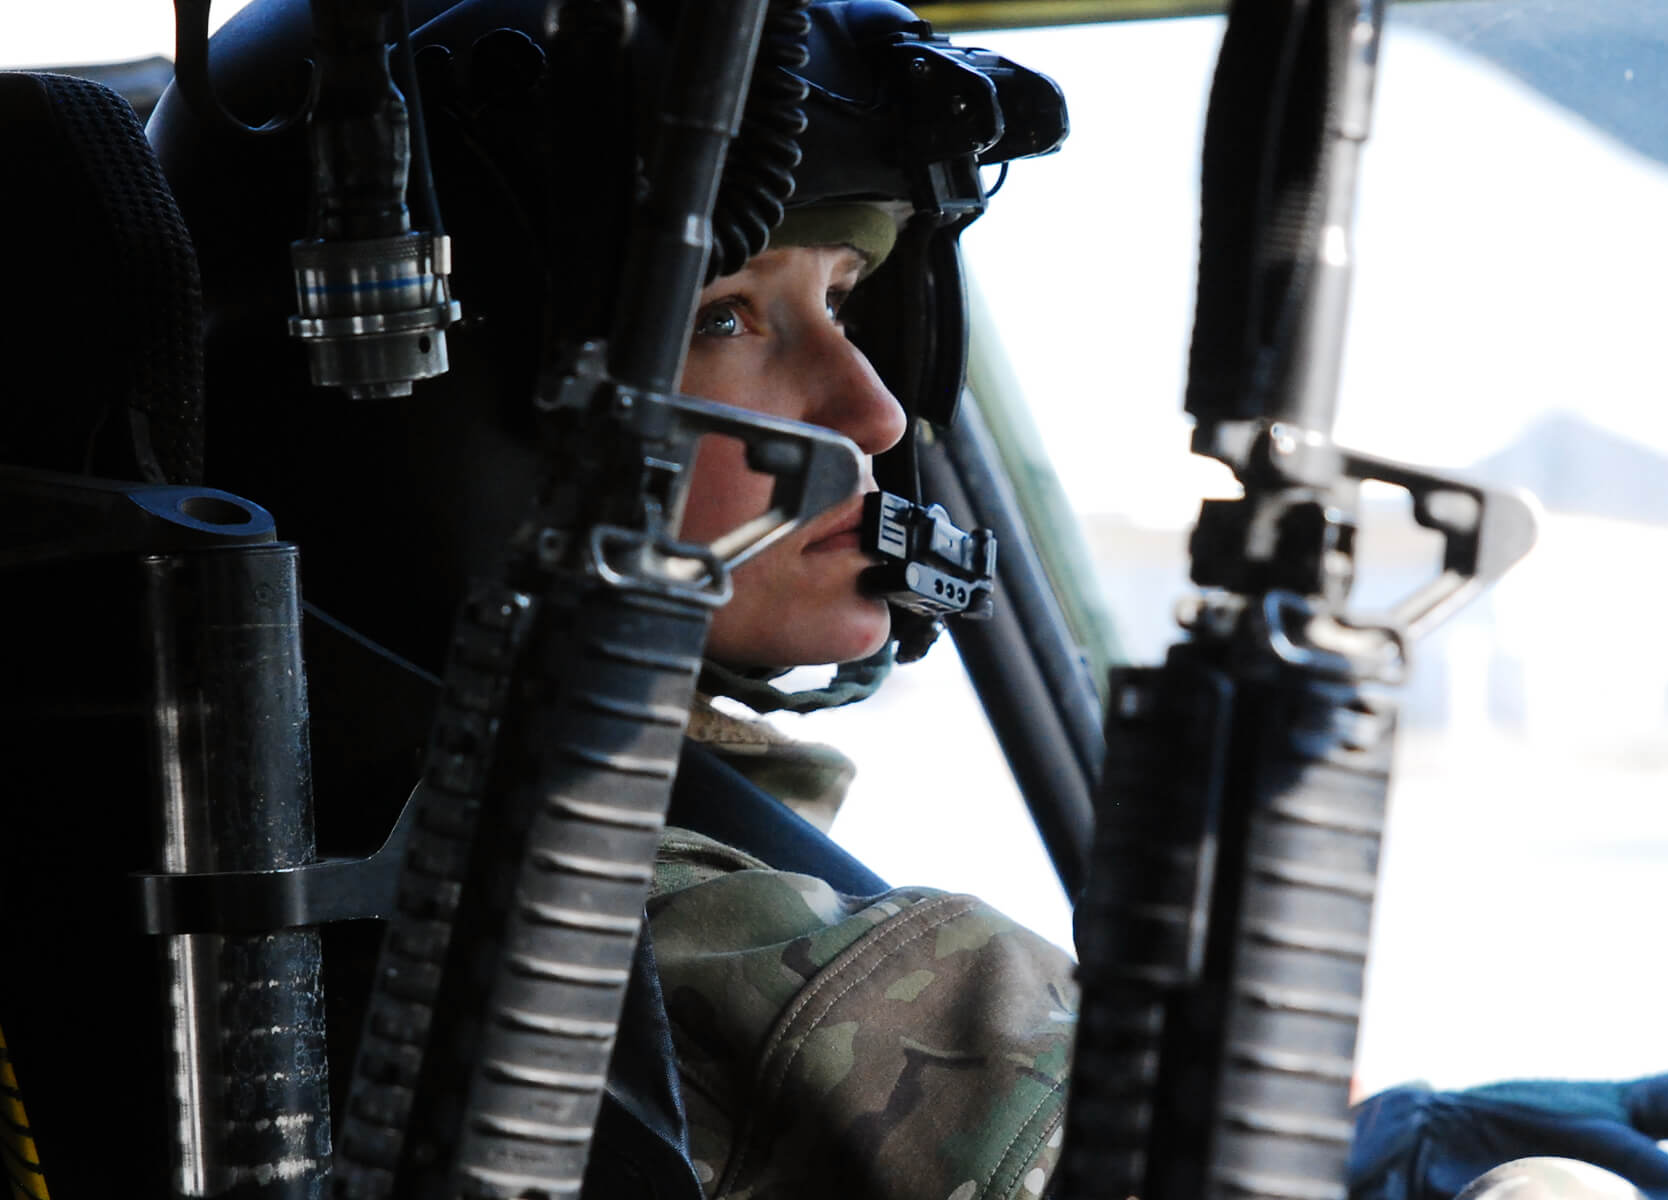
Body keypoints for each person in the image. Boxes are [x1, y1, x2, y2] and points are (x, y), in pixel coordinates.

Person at [147, 1, 1076, 1196]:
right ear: (439, 428)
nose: (875, 413)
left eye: (844, 303)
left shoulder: (303, 819)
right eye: (723, 318)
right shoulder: (650, 944)